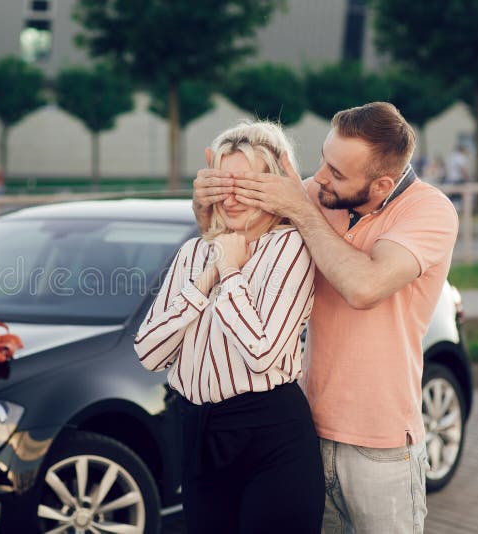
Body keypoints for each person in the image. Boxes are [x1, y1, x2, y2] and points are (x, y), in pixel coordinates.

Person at [193, 102, 459, 534]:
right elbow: (233, 240)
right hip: (304, 434)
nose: (317, 178)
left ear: (381, 184)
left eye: (336, 173)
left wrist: (300, 209)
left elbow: (364, 287)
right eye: (323, 160)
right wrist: (205, 204)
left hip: (381, 447)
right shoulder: (320, 195)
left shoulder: (428, 211)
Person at [135, 120, 325, 533]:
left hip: (271, 437)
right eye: (223, 182)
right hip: (199, 434)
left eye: (246, 184)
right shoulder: (192, 252)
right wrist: (206, 279)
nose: (231, 197)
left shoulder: (291, 249)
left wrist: (229, 269)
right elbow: (149, 353)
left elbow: (261, 353)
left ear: (273, 187)